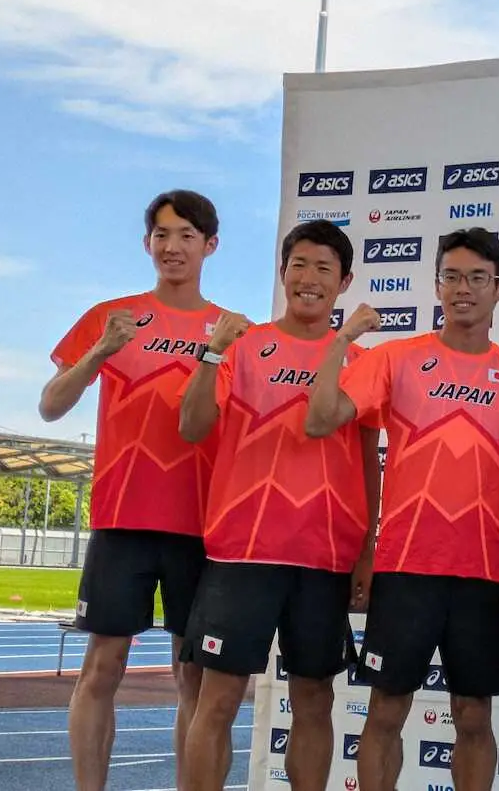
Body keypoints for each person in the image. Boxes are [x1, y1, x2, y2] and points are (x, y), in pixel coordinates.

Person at [304, 227, 499, 791]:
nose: (463, 289)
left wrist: (482, 527)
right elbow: (320, 420)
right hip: (405, 569)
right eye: (451, 277)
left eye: (478, 278)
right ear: (437, 285)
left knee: (474, 716)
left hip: (482, 574)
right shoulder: (396, 359)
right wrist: (342, 341)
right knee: (386, 711)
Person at [176, 220, 380, 791]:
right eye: (299, 265)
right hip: (242, 553)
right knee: (218, 699)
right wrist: (211, 354)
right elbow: (192, 426)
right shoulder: (241, 345)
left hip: (323, 557)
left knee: (314, 699)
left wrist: (366, 553)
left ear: (344, 282)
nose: (309, 278)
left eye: (324, 268)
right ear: (282, 272)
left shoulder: (363, 362)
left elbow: (369, 464)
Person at [38, 190, 222, 791]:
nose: (172, 246)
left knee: (192, 677)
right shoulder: (110, 316)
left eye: (186, 235)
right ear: (147, 243)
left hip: (201, 524)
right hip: (122, 517)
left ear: (209, 246)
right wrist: (100, 351)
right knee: (103, 666)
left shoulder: (232, 332)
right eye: (162, 235)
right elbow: (50, 406)